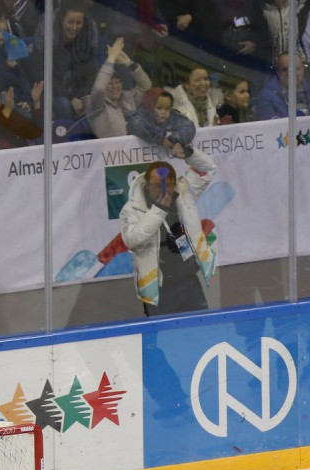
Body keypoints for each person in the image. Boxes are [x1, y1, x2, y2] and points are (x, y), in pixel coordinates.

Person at [119, 142, 218, 317]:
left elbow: (209, 169)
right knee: (162, 338)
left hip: (189, 281)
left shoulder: (184, 193)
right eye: (159, 186)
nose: (165, 190)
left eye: (169, 185)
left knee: (201, 332)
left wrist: (189, 153)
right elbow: (132, 241)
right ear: (147, 184)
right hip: (159, 288)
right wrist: (159, 211)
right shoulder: (132, 209)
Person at [86, 37, 151, 139]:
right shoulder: (97, 105)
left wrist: (128, 63)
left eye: (117, 82)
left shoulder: (128, 100)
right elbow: (98, 89)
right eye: (110, 83)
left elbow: (146, 86)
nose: (115, 86)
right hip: (110, 152)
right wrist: (112, 56)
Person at [257, 51, 310, 119]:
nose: (290, 73)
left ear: (303, 69)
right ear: (278, 73)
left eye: (295, 68)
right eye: (285, 69)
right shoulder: (266, 96)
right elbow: (270, 128)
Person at [127, 90, 198, 151]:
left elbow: (188, 127)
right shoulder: (142, 114)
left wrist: (173, 141)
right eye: (159, 108)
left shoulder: (172, 116)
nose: (163, 112)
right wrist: (161, 139)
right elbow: (136, 124)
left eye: (167, 109)